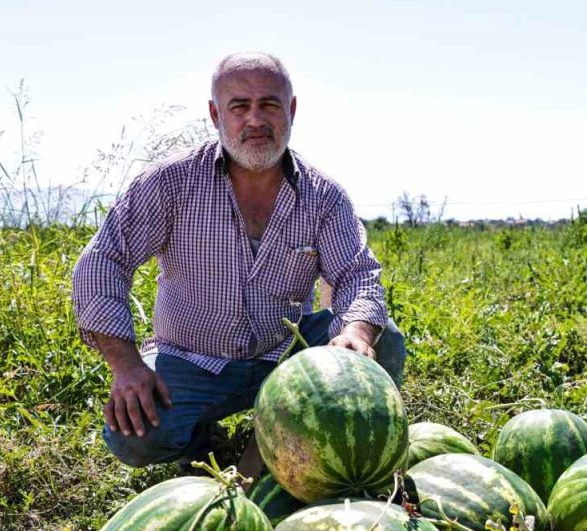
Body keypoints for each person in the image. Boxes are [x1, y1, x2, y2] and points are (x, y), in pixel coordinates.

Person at [71, 52, 404, 478]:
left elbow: (357, 275)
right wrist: (127, 366)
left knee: (384, 340)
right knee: (135, 437)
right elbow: (104, 261)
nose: (255, 120)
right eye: (238, 106)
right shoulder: (170, 183)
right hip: (192, 361)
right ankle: (197, 435)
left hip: (286, 355)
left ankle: (284, 449)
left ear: (292, 111)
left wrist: (356, 332)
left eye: (268, 104)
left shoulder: (324, 197)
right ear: (214, 114)